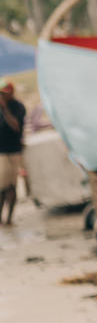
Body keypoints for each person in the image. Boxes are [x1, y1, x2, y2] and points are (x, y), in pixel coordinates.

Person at [0, 81, 26, 225]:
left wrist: (4, 110)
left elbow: (16, 127)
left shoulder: (17, 107)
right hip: (1, 152)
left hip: (11, 152)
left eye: (3, 93)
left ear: (11, 92)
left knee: (9, 187)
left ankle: (8, 218)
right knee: (2, 188)